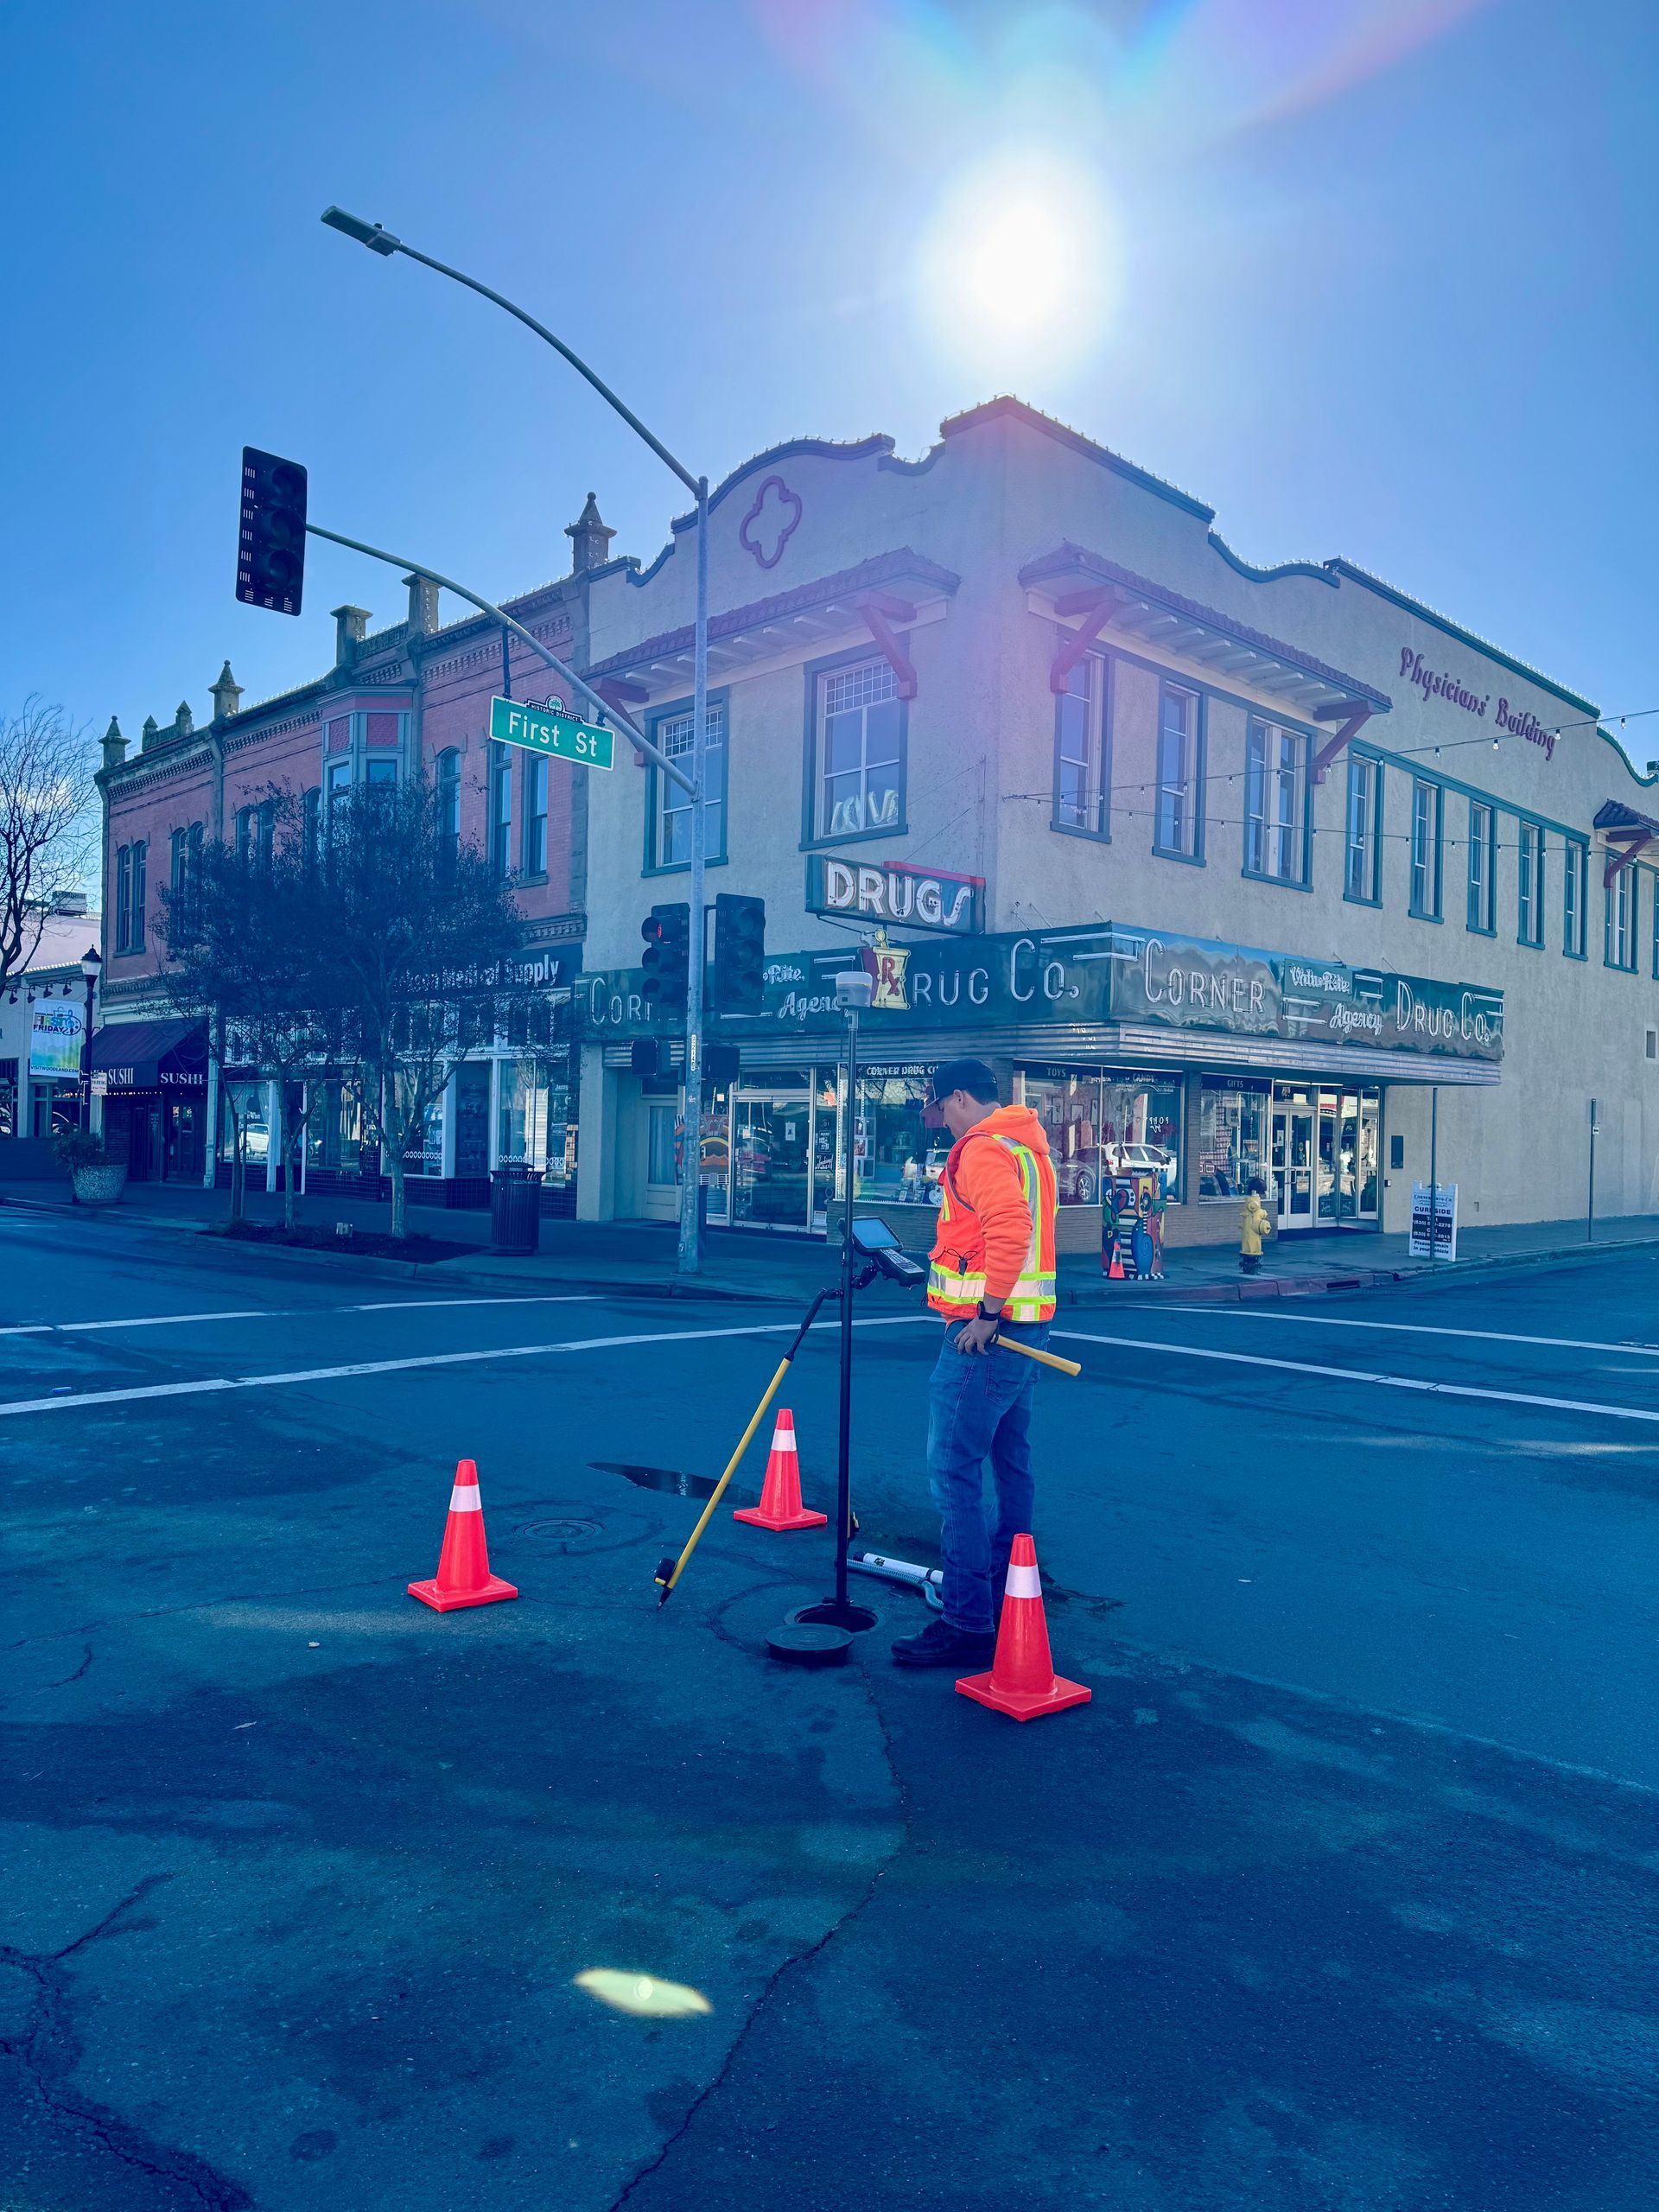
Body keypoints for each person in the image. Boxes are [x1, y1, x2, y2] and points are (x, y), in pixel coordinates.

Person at [891, 1058, 1059, 1669]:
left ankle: (966, 1617)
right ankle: (1016, 1578)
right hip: (1029, 1325)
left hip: (986, 1335)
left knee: (953, 1467)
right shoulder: (1028, 1148)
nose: (938, 1120)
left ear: (961, 1097)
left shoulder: (984, 1150)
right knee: (1011, 1458)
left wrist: (986, 1313)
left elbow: (1009, 1230)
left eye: (939, 1106)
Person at [1240, 1178, 1273, 1274]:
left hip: (1249, 1241)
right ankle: (1252, 1262)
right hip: (1254, 1242)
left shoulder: (1251, 1202)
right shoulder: (1253, 1203)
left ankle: (1248, 1262)